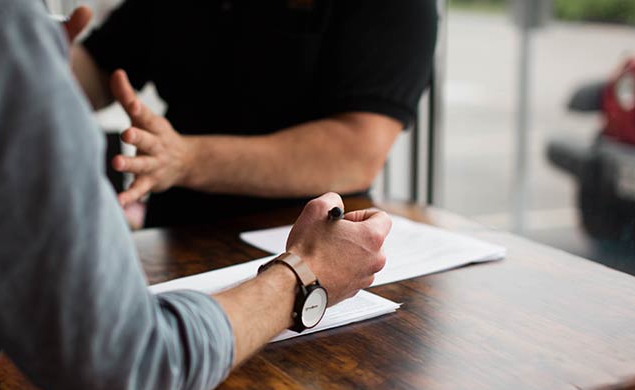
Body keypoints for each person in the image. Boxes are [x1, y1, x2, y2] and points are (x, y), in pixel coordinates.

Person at [0, 1, 391, 390]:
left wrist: (21, 64)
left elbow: (361, 147)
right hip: (197, 265)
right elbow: (128, 366)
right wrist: (304, 275)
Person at [72, 0, 438, 227]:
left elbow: (356, 150)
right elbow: (100, 68)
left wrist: (186, 159)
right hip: (177, 234)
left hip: (308, 245)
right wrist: (33, 61)